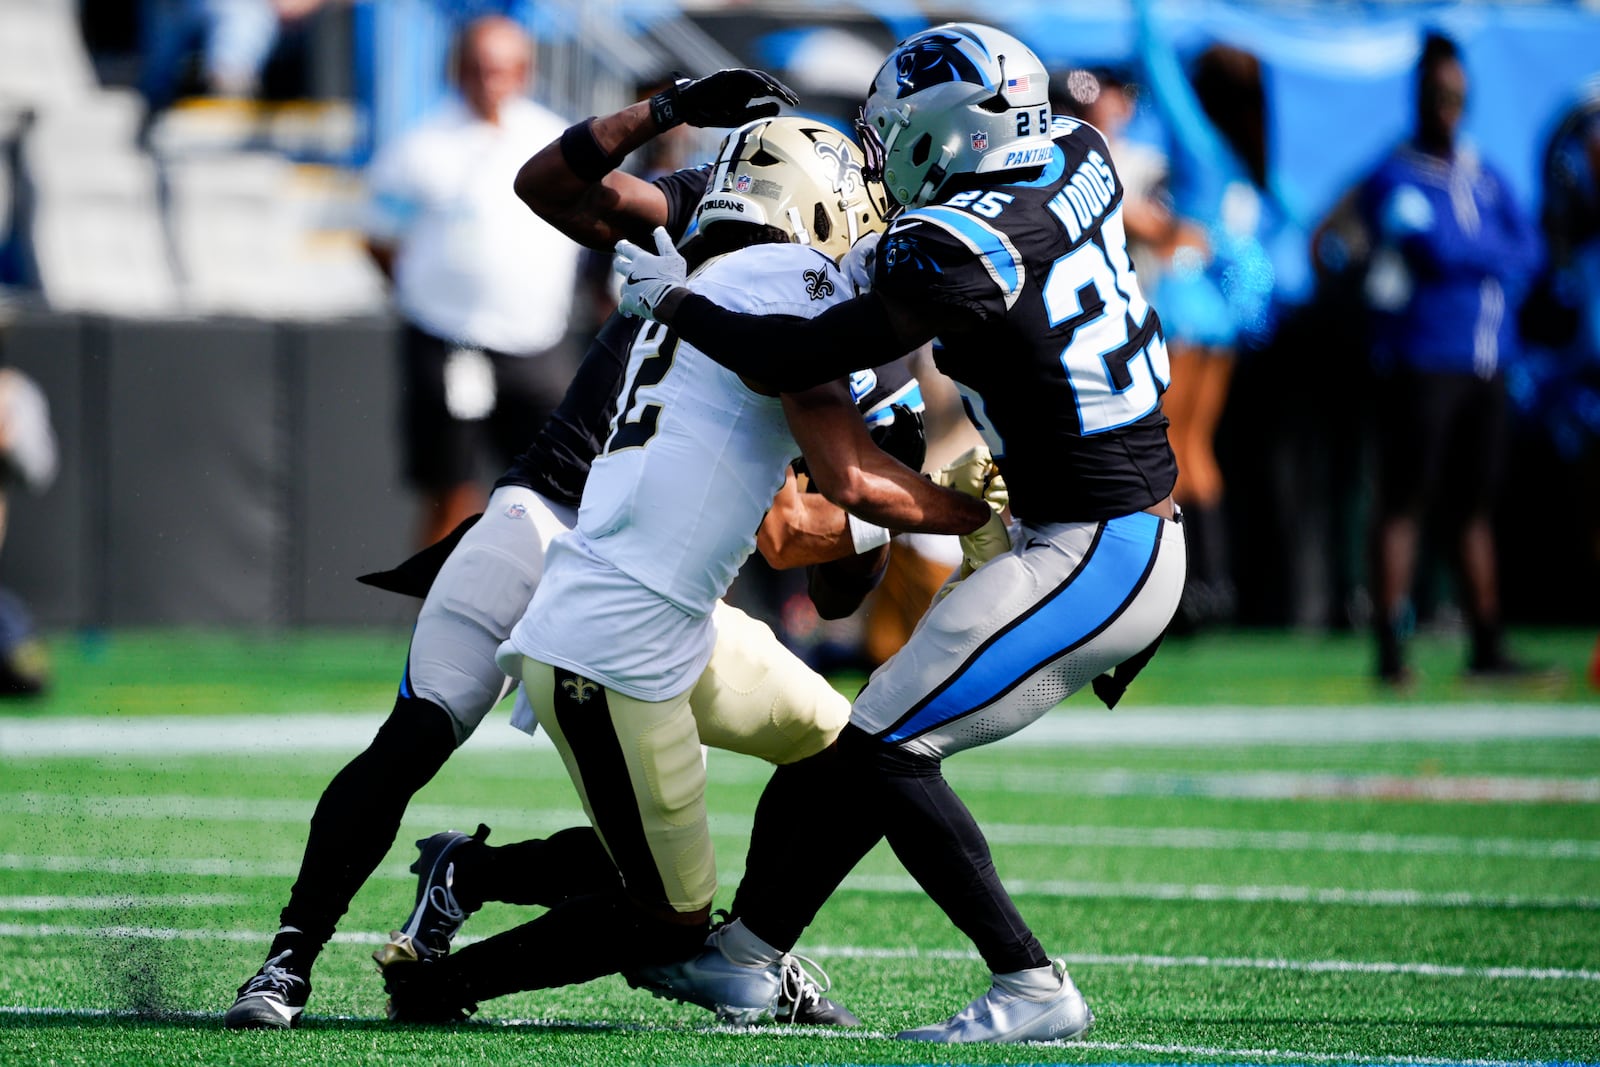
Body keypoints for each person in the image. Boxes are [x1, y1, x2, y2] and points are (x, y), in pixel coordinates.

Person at [222, 67, 856, 1030]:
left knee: (799, 761)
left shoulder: (849, 292)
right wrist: (669, 109)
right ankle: (287, 959)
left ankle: (533, 890)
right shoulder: (711, 220)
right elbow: (549, 187)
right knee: (419, 734)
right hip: (558, 518)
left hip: (648, 570)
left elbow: (821, 554)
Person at [614, 22, 1186, 1044]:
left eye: (897, 132)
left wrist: (679, 302)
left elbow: (793, 353)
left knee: (889, 748)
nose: (884, 154)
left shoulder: (961, 245)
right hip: (1088, 525)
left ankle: (1030, 980)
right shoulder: (1081, 153)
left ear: (945, 131)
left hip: (1100, 544)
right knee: (860, 737)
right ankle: (744, 954)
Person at [369, 112, 1006, 1025]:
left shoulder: (722, 284)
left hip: (668, 617)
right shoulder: (790, 287)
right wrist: (976, 510)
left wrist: (899, 498)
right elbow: (839, 494)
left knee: (851, 747)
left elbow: (806, 527)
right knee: (667, 915)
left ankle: (747, 952)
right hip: (612, 650)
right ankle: (441, 985)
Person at [1357, 32, 1539, 684]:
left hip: (1488, 359)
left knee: (1475, 506)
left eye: (1455, 94)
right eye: (1436, 94)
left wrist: (1477, 254)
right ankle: (1390, 648)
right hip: (1424, 358)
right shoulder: (1397, 175)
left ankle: (1487, 645)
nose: (1445, 106)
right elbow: (1437, 253)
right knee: (1405, 500)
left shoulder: (1484, 173)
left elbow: (1528, 249)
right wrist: (1483, 255)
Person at [363, 16, 582, 547]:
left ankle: (542, 626)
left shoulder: (554, 140)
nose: (491, 83)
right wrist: (435, 297)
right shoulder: (422, 144)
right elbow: (379, 238)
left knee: (557, 497)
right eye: (480, 70)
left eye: (503, 70)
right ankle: (437, 625)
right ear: (458, 71)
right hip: (449, 341)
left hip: (536, 345)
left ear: (525, 73)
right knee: (447, 493)